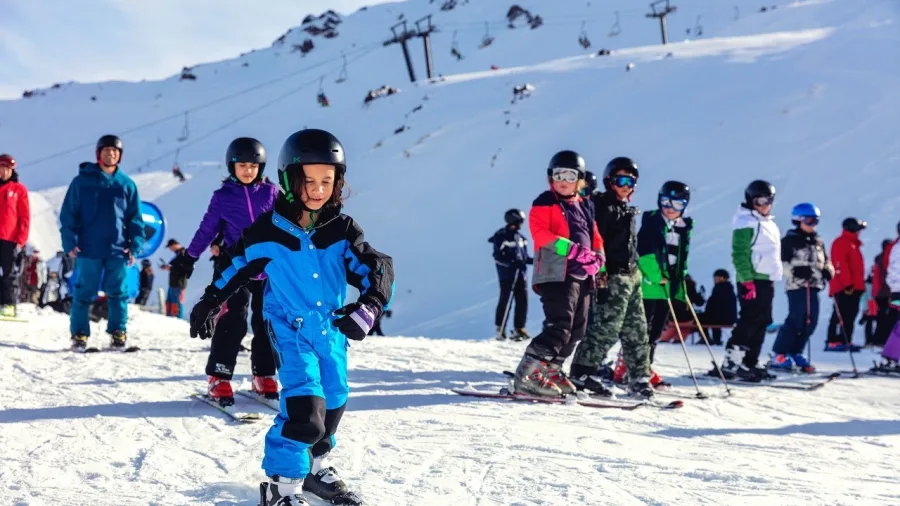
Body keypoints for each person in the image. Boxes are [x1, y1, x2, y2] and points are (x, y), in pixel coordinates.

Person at [188, 129, 393, 506]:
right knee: (305, 412)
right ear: (287, 180)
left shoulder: (342, 230)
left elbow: (376, 267)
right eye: (308, 181)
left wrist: (370, 305)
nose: (317, 189)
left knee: (333, 403)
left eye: (327, 181)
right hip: (290, 331)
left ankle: (314, 469)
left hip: (330, 332)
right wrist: (210, 301)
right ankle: (281, 488)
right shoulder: (267, 231)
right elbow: (236, 266)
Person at [171, 137, 280, 405]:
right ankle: (219, 376)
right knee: (233, 319)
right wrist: (189, 256)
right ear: (231, 166)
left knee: (267, 320)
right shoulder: (223, 197)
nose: (247, 170)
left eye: (253, 166)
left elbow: (285, 225)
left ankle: (264, 374)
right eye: (242, 165)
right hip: (234, 266)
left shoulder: (271, 193)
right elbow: (207, 228)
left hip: (267, 267)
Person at [511, 150, 604, 397]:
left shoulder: (585, 206)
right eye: (558, 174)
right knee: (560, 325)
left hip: (582, 276)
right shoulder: (545, 202)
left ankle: (551, 369)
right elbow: (541, 234)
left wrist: (598, 258)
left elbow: (595, 236)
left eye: (570, 175)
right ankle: (528, 375)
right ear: (550, 178)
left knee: (577, 330)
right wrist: (573, 250)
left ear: (580, 179)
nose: (563, 180)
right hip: (555, 274)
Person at [570, 156, 654, 398]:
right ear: (609, 181)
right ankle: (582, 371)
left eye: (630, 180)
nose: (626, 185)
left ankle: (639, 376)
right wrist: (600, 279)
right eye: (620, 180)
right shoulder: (602, 206)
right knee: (607, 327)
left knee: (637, 329)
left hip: (632, 275)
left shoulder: (625, 208)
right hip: (613, 276)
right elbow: (597, 245)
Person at [60, 135, 144, 350]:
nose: (111, 154)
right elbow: (68, 214)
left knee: (118, 294)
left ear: (120, 155)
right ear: (99, 154)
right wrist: (70, 243)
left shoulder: (126, 184)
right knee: (84, 293)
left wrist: (134, 245)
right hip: (88, 248)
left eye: (115, 151)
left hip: (117, 249)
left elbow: (135, 219)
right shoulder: (82, 181)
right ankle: (79, 334)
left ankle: (118, 332)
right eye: (107, 150)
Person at [718, 180, 781, 382]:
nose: (764, 205)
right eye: (760, 200)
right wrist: (746, 280)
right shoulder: (745, 222)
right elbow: (739, 254)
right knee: (749, 319)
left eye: (768, 200)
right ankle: (732, 362)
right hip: (751, 279)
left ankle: (749, 361)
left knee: (763, 321)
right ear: (750, 200)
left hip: (766, 279)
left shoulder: (768, 223)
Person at [635, 181, 693, 386]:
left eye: (677, 204)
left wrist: (680, 278)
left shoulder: (683, 228)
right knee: (644, 330)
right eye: (666, 202)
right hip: (649, 285)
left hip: (666, 287)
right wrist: (654, 275)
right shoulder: (652, 222)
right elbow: (644, 253)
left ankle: (644, 367)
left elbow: (681, 258)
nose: (669, 208)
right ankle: (635, 369)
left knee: (657, 329)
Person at [770, 203, 834, 373]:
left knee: (811, 321)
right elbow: (780, 263)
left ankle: (796, 351)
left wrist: (828, 270)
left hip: (814, 286)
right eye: (809, 220)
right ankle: (780, 354)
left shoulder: (818, 242)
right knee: (796, 319)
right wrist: (795, 270)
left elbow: (826, 261)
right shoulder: (789, 241)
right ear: (798, 220)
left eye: (815, 221)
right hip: (797, 286)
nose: (813, 224)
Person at [488, 208, 533, 340]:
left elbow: (524, 257)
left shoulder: (521, 238)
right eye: (520, 221)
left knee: (522, 300)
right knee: (506, 300)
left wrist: (536, 260)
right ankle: (500, 329)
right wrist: (512, 263)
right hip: (507, 275)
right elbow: (497, 256)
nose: (521, 224)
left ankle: (519, 329)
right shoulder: (501, 236)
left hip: (521, 274)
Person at [826, 217, 867, 351]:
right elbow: (840, 265)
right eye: (858, 229)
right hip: (844, 287)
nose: (859, 232)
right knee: (840, 314)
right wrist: (847, 284)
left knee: (850, 315)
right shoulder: (842, 243)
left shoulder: (852, 244)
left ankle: (845, 340)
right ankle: (833, 341)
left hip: (854, 287)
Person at [0, 153, 30, 318]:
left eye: (7, 169)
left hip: (10, 238)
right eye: (1, 168)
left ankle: (9, 304)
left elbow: (24, 216)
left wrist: (21, 239)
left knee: (9, 273)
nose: (3, 172)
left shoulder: (19, 190)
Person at [701, 269, 737, 345]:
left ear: (723, 278)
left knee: (699, 319)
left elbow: (714, 305)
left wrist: (707, 310)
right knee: (712, 318)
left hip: (723, 318)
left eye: (716, 277)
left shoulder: (720, 289)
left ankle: (705, 338)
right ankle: (716, 339)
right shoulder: (728, 288)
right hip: (728, 318)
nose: (714, 279)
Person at [871, 238, 896, 347]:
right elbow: (885, 278)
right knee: (888, 317)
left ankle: (880, 339)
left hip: (880, 293)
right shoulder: (886, 259)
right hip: (885, 293)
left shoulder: (880, 258)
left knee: (883, 317)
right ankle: (882, 339)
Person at [159, 239, 189, 318]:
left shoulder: (184, 253)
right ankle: (170, 317)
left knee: (177, 302)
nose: (170, 249)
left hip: (179, 283)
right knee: (170, 302)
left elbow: (183, 268)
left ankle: (178, 319)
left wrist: (170, 268)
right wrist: (169, 267)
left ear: (174, 245)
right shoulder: (177, 254)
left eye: (170, 247)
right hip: (173, 282)